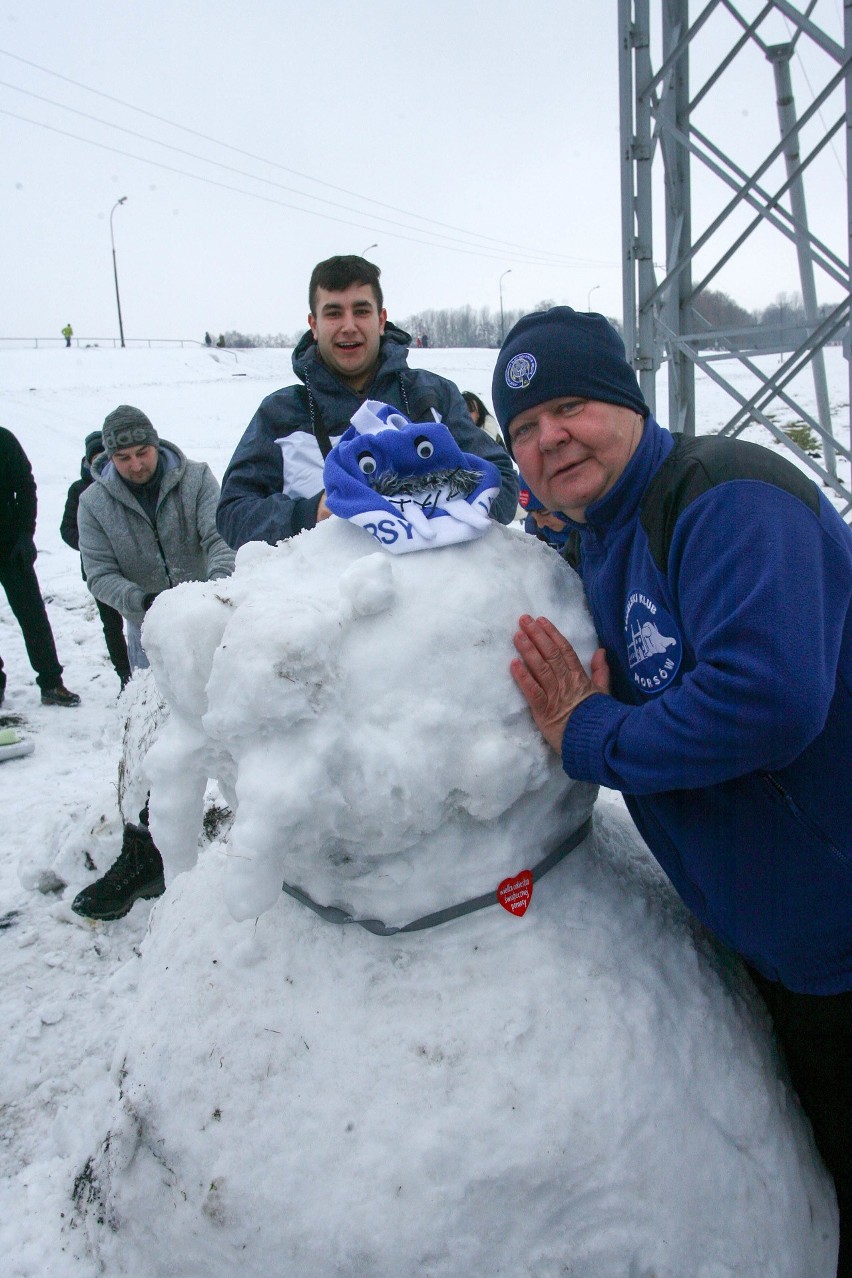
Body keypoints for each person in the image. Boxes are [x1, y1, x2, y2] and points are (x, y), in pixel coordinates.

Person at [492, 306, 852, 1276]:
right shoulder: (604, 537)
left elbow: (769, 698)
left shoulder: (725, 498)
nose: (547, 437)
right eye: (524, 428)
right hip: (792, 947)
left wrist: (593, 736)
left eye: (569, 406)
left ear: (626, 402)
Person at [216, 255, 518, 550]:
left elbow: (502, 480)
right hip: (325, 597)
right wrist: (311, 513)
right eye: (333, 313)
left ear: (381, 319)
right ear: (314, 325)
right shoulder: (279, 413)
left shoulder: (433, 396)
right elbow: (233, 513)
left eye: (361, 311)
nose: (349, 326)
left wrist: (437, 503)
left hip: (436, 593)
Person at [73, 405, 235, 920]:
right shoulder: (94, 503)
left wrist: (210, 596)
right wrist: (145, 604)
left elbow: (219, 537)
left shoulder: (196, 480)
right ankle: (143, 849)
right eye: (123, 457)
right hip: (148, 638)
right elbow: (97, 572)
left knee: (238, 722)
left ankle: (262, 829)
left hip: (212, 625)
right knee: (148, 746)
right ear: (108, 457)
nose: (136, 464)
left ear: (156, 444)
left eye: (142, 452)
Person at [0, 427, 81, 709]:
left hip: (10, 546)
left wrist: (25, 533)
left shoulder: (3, 440)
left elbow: (25, 486)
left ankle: (51, 683)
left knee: (33, 616)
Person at [60, 430, 131, 690]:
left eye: (106, 456)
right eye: (95, 457)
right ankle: (125, 675)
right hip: (98, 572)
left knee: (142, 621)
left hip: (134, 568)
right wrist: (94, 543)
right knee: (112, 626)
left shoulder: (125, 484)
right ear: (87, 461)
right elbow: (67, 529)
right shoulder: (79, 490)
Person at [517, 474, 571, 552]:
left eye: (544, 512)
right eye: (531, 513)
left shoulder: (593, 534)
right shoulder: (534, 531)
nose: (540, 524)